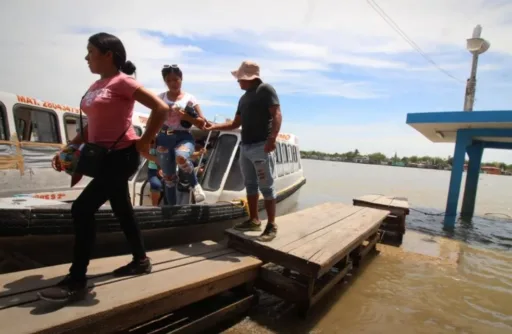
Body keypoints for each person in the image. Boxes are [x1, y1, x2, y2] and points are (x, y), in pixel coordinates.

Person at [38, 32, 168, 303]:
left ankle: (77, 279)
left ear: (108, 54)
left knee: (81, 208)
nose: (86, 57)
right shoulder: (98, 84)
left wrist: (144, 141)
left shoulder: (123, 82)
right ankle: (141, 260)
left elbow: (160, 108)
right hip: (102, 157)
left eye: (91, 51)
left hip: (121, 156)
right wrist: (69, 147)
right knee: (122, 208)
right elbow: (91, 127)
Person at [204, 60, 282, 242]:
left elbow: (276, 113)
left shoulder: (265, 90)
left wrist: (272, 138)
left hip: (261, 147)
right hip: (245, 147)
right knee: (250, 184)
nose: (238, 82)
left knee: (267, 186)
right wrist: (213, 126)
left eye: (240, 78)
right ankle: (253, 220)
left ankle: (271, 225)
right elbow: (235, 124)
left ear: (249, 78)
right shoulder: (243, 98)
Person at [156, 64, 207, 206]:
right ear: (165, 81)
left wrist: (187, 117)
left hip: (183, 136)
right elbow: (153, 119)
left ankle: (195, 185)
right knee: (168, 178)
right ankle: (171, 208)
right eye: (169, 80)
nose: (173, 83)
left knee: (181, 156)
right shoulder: (160, 98)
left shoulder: (190, 99)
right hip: (164, 137)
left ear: (181, 79)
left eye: (176, 79)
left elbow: (202, 123)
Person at [140, 138, 164, 206]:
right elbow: (143, 153)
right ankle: (155, 207)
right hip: (153, 170)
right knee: (156, 185)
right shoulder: (151, 140)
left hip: (167, 169)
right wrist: (157, 160)